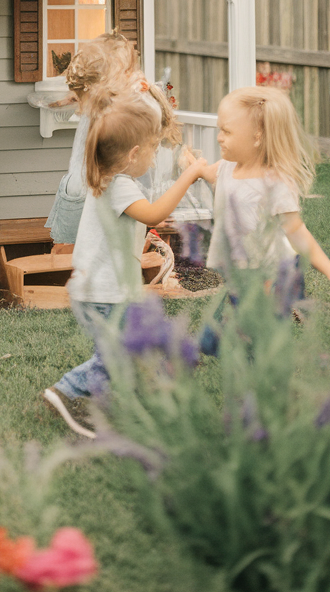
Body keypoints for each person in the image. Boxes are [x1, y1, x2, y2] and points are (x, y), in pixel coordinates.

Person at [43, 86, 209, 437]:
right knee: (117, 353)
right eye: (151, 150)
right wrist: (188, 176)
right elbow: (155, 213)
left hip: (100, 287)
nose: (153, 157)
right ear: (133, 154)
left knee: (118, 349)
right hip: (105, 290)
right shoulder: (119, 186)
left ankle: (98, 399)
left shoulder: (105, 178)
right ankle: (66, 391)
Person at [45, 34, 181, 246]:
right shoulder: (113, 104)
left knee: (87, 240)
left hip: (94, 183)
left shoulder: (115, 108)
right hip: (93, 182)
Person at [197, 86, 330, 285]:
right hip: (237, 271)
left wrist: (327, 269)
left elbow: (296, 230)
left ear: (257, 137)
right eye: (219, 129)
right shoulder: (226, 167)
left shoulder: (275, 182)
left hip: (269, 273)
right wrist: (191, 164)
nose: (219, 137)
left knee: (260, 313)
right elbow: (206, 173)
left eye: (227, 131)